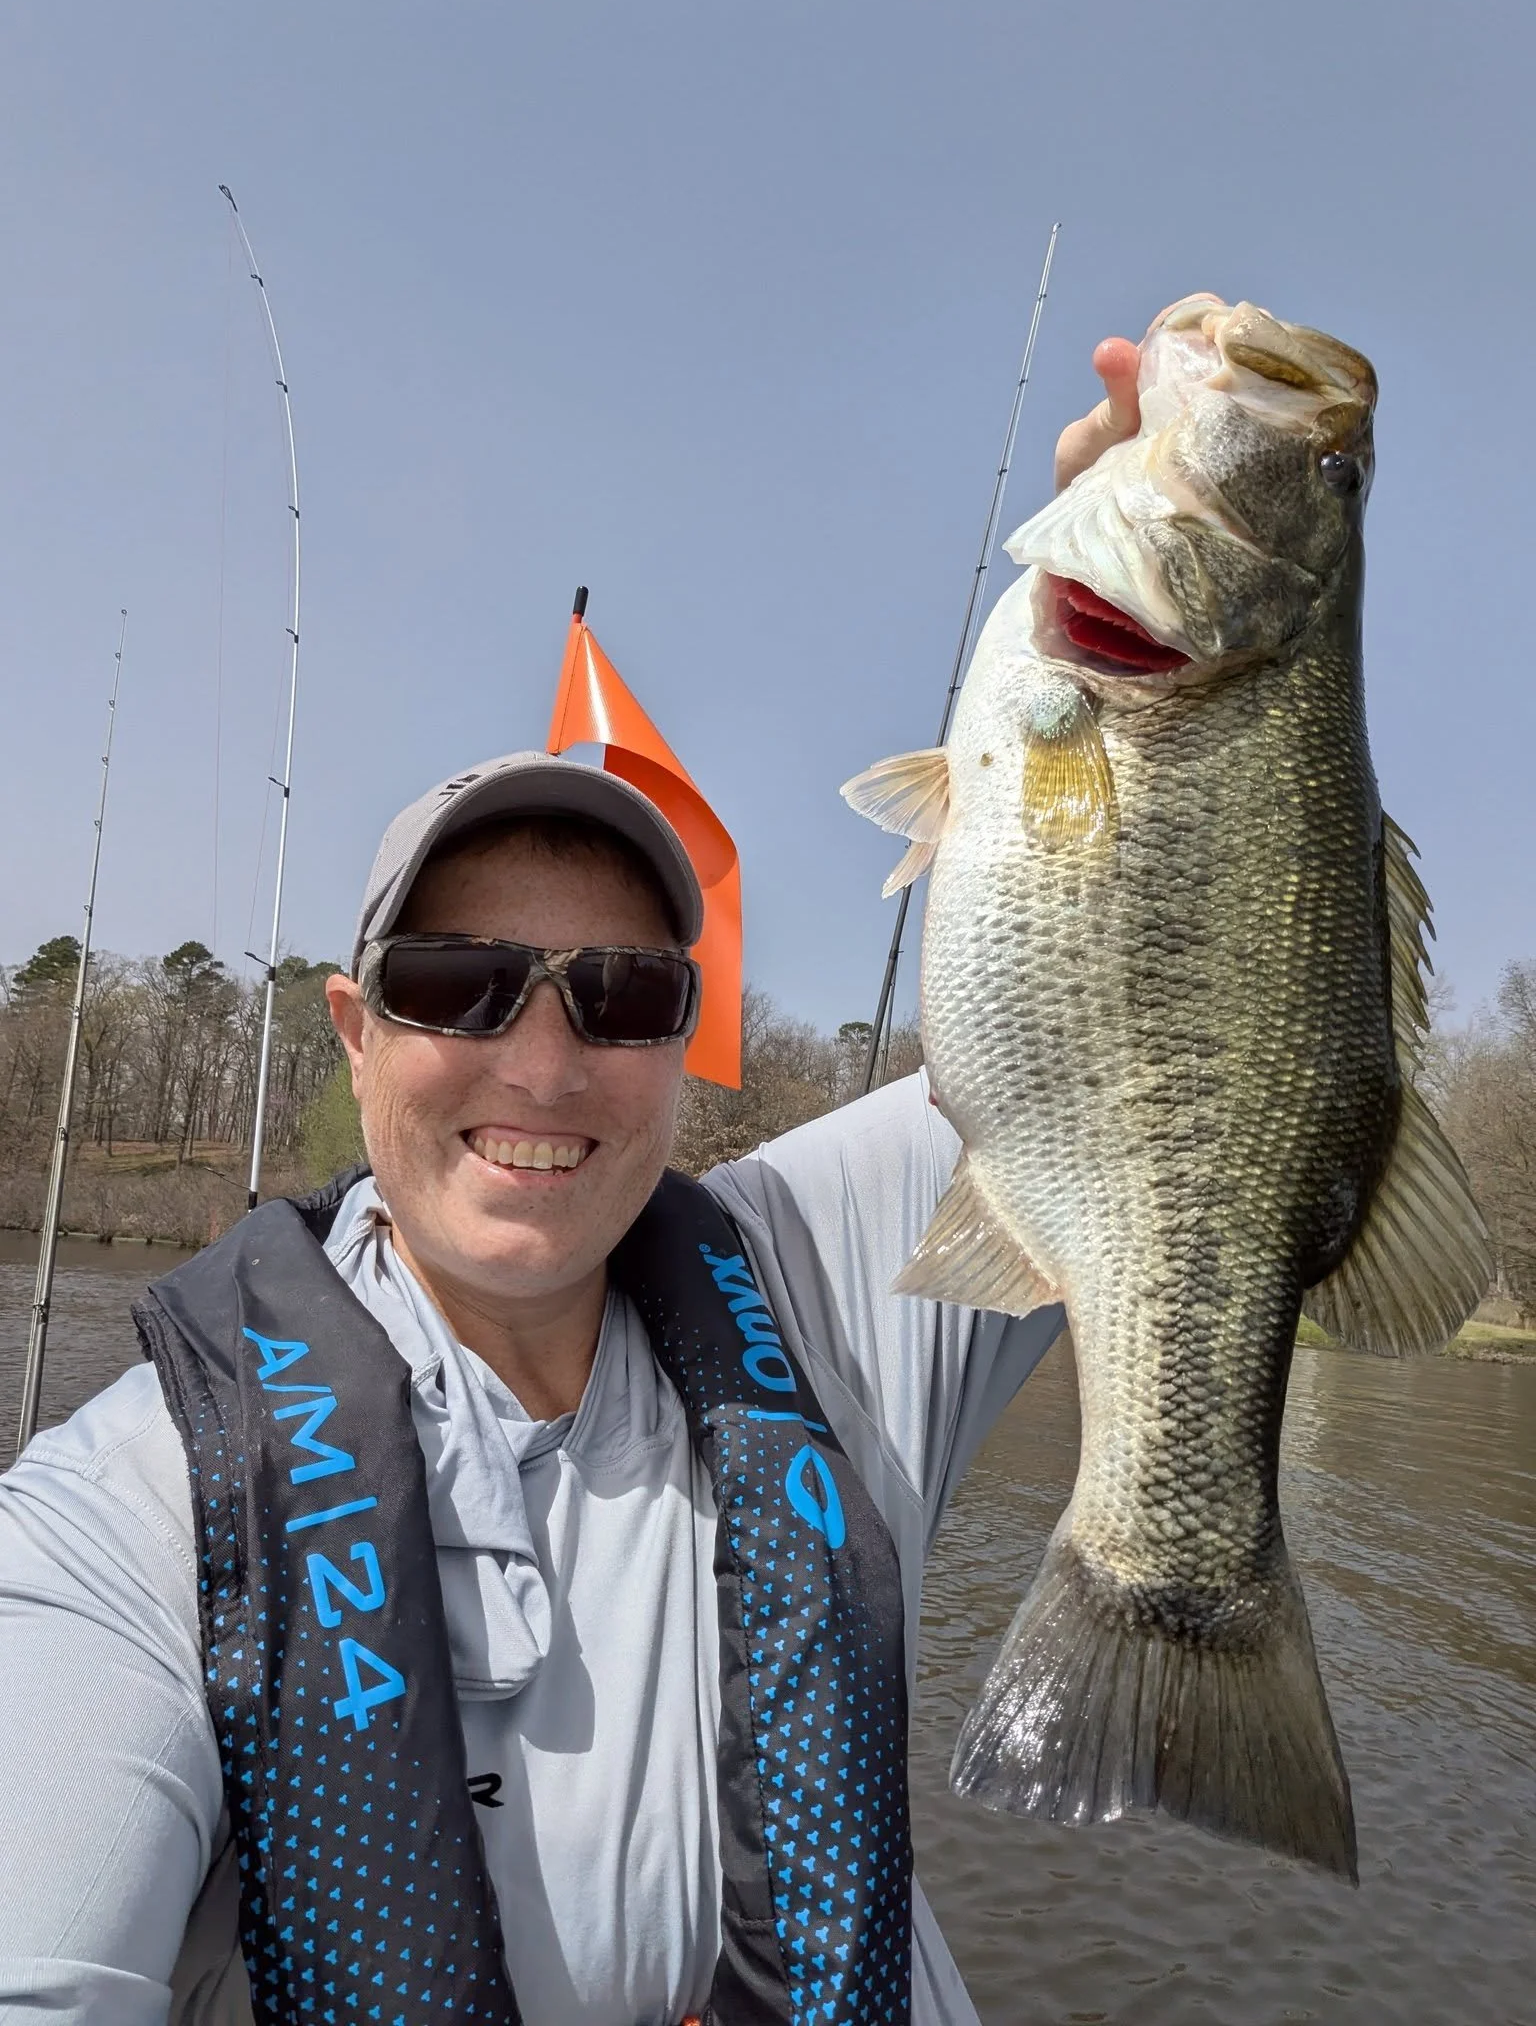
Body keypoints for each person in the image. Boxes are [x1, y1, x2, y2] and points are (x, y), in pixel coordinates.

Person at [0, 345, 1144, 2026]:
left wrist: (1160, 652)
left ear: (684, 1039)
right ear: (355, 1025)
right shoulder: (134, 1507)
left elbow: (1154, 1016)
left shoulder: (821, 1274)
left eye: (621, 996)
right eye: (463, 982)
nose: (543, 1066)